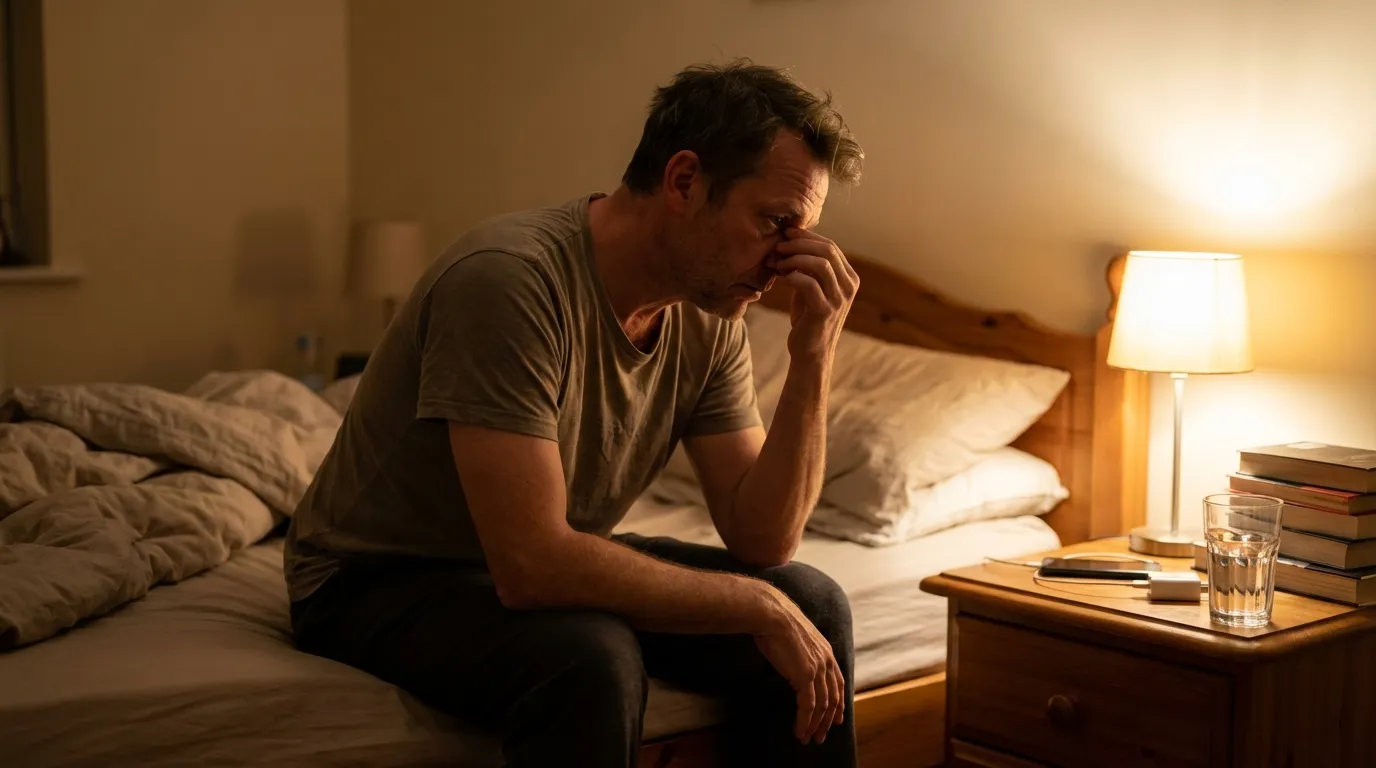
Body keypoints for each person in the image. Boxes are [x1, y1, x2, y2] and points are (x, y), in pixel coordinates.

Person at [284, 59, 864, 767]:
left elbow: (762, 540)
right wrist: (755, 607)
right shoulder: (508, 281)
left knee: (812, 601)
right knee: (589, 656)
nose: (784, 261)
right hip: (371, 578)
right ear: (685, 182)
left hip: (538, 555)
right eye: (776, 223)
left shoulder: (709, 316)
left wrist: (813, 356)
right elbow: (532, 565)